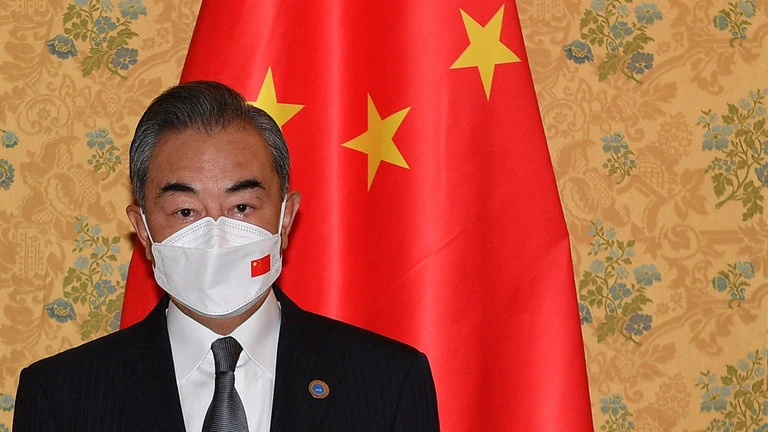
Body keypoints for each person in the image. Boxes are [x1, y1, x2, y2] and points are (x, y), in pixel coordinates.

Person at [13, 81, 439, 431]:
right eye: (186, 211)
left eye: (241, 207)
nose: (215, 234)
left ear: (285, 219)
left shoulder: (388, 382)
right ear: (143, 229)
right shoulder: (61, 396)